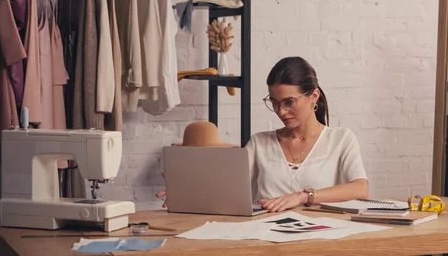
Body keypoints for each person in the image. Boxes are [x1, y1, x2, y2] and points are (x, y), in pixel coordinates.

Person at [156, 56, 369, 212]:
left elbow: (360, 189)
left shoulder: (341, 139)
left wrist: (304, 196)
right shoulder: (260, 143)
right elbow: (228, 186)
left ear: (313, 96)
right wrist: (189, 190)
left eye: (289, 102)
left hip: (319, 242)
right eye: (274, 103)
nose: (281, 112)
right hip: (265, 241)